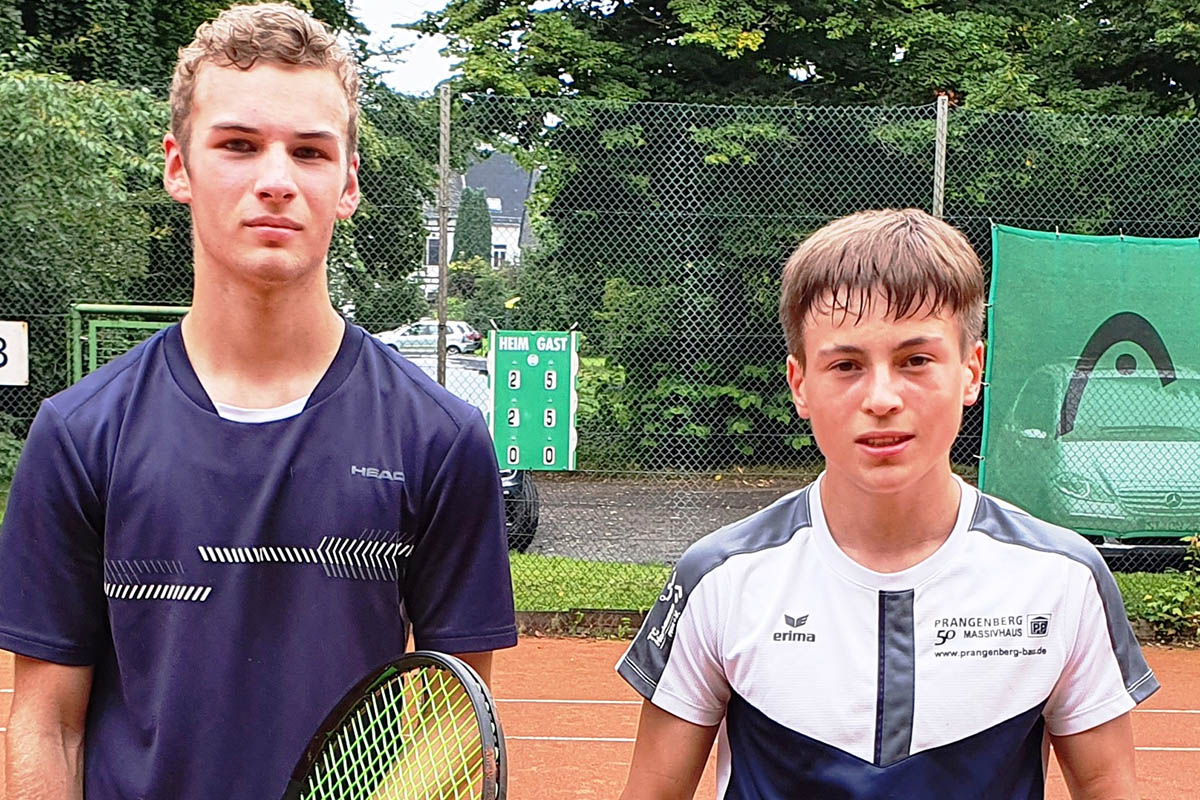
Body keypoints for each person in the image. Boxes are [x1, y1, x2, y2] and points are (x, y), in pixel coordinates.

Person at [0, 4, 517, 798]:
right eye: (238, 145)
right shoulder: (80, 434)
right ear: (180, 166)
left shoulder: (440, 438)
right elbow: (46, 723)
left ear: (346, 184)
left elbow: (452, 719)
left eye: (309, 152)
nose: (276, 179)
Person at [616, 209, 1158, 799]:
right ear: (800, 384)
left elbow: (1110, 787)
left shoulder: (1064, 578)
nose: (881, 397)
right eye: (846, 364)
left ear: (971, 371)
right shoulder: (719, 578)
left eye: (916, 361)